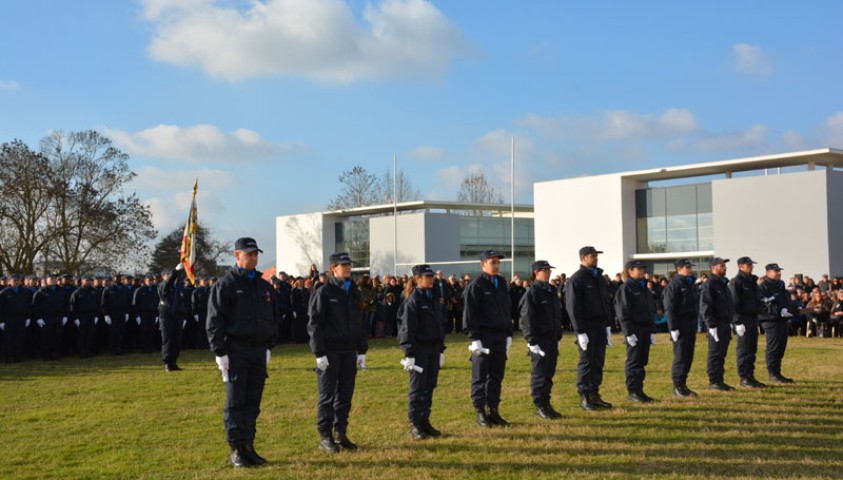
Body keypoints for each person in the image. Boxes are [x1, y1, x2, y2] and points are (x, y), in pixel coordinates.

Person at [207, 237, 278, 468]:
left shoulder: (263, 286)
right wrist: (220, 353)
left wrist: (269, 346)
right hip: (235, 350)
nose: (254, 258)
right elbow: (214, 321)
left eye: (256, 254)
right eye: (249, 254)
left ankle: (249, 445)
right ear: (237, 256)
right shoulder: (226, 285)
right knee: (236, 402)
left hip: (258, 351)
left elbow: (271, 318)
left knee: (253, 402)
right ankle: (236, 449)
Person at [307, 252, 368, 454]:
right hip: (330, 351)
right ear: (333, 268)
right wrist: (319, 353)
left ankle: (340, 432)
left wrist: (361, 350)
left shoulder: (353, 292)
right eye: (343, 265)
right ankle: (325, 436)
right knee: (327, 395)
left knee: (345, 394)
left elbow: (359, 323)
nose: (348, 267)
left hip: (349, 350)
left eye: (349, 264)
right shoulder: (324, 292)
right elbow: (315, 325)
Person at [463, 250, 513, 427]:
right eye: (493, 262)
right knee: (480, 376)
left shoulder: (501, 283)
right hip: (483, 337)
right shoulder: (476, 285)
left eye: (498, 262)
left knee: (496, 376)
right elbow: (470, 314)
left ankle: (493, 409)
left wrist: (509, 333)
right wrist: (474, 338)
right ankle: (480, 411)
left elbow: (507, 310)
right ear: (483, 264)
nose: (497, 265)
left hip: (499, 336)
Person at [397, 264, 447, 439]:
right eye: (427, 276)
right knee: (417, 388)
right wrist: (409, 353)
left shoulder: (433, 296)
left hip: (433, 347)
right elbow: (406, 328)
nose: (431, 279)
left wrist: (441, 349)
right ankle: (415, 424)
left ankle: (425, 421)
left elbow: (440, 324)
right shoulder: (413, 300)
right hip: (419, 349)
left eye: (431, 276)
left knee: (429, 386)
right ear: (418, 279)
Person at [565, 246, 613, 411]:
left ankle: (594, 394)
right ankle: (584, 396)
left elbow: (605, 303)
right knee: (586, 362)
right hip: (587, 327)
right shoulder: (577, 279)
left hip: (600, 326)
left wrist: (607, 325)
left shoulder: (598, 277)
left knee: (598, 361)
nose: (596, 258)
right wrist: (579, 331)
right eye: (593, 256)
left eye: (596, 255)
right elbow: (573, 307)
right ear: (584, 258)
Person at [519, 260, 563, 419]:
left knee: (549, 373)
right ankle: (539, 405)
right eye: (545, 270)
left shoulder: (551, 289)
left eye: (549, 270)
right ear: (536, 272)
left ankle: (546, 403)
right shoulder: (532, 292)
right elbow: (526, 319)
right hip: (540, 340)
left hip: (551, 338)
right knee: (540, 374)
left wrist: (558, 335)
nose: (548, 272)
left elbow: (557, 314)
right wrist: (531, 341)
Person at [614, 260, 657, 403]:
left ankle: (639, 390)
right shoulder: (627, 288)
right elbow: (623, 311)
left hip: (645, 328)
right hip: (634, 329)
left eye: (643, 268)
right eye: (638, 268)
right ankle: (633, 391)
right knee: (634, 361)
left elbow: (650, 309)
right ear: (630, 271)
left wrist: (652, 330)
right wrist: (628, 332)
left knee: (642, 361)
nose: (642, 271)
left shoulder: (643, 287)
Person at [662, 259, 700, 397]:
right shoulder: (674, 285)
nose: (689, 269)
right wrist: (673, 328)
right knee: (681, 356)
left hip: (690, 324)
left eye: (690, 267)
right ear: (679, 269)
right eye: (686, 267)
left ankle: (683, 384)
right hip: (680, 324)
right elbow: (670, 308)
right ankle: (677, 386)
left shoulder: (690, 284)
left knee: (688, 355)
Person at [729, 257, 766, 389]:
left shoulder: (751, 281)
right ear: (741, 266)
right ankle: (744, 377)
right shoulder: (737, 282)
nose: (751, 267)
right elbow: (734, 303)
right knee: (744, 349)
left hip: (752, 317)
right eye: (748, 265)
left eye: (751, 264)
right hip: (743, 319)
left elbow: (757, 299)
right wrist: (737, 321)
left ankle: (751, 376)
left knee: (752, 348)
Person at [700, 257, 736, 391]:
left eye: (724, 266)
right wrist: (711, 325)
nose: (724, 268)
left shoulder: (723, 284)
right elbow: (706, 306)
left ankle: (720, 380)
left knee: (722, 354)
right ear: (713, 268)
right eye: (721, 266)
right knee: (715, 353)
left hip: (725, 323)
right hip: (716, 324)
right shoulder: (709, 284)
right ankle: (714, 381)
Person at [758, 263, 796, 383]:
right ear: (768, 273)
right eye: (776, 271)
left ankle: (777, 372)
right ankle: (773, 374)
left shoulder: (780, 286)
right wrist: (779, 311)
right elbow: (763, 305)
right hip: (771, 320)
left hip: (782, 320)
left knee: (781, 347)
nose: (779, 273)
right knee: (773, 347)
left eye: (779, 271)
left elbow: (785, 301)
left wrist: (792, 310)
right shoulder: (764, 287)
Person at [159, 264, 189, 371]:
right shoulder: (163, 286)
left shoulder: (177, 288)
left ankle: (174, 362)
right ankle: (167, 363)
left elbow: (182, 303)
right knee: (167, 340)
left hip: (177, 316)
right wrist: (175, 271)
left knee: (176, 340)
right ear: (163, 276)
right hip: (166, 316)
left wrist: (184, 316)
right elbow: (168, 283)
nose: (171, 276)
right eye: (168, 275)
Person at [32, 273, 67, 361]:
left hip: (58, 316)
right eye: (51, 279)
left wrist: (65, 316)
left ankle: (55, 355)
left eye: (55, 279)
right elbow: (35, 305)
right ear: (46, 280)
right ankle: (46, 355)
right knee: (46, 337)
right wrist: (38, 318)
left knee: (57, 336)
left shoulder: (62, 290)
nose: (53, 280)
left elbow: (67, 304)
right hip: (46, 317)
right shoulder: (41, 291)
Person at [0, 273, 34, 363]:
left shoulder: (26, 292)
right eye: (14, 280)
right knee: (8, 339)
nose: (16, 282)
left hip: (21, 317)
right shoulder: (4, 293)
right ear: (9, 281)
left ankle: (18, 357)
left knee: (20, 338)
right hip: (8, 318)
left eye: (18, 280)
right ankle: (8, 358)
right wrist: (1, 321)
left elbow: (29, 306)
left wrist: (28, 317)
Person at [69, 275, 99, 359]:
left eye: (90, 280)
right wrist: (75, 318)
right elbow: (72, 306)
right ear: (82, 281)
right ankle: (81, 352)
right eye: (87, 280)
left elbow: (98, 304)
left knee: (90, 334)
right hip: (81, 316)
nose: (89, 282)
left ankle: (89, 351)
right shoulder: (77, 292)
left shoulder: (94, 291)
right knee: (81, 335)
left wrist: (96, 316)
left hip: (91, 315)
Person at [133, 275, 160, 354]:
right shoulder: (139, 290)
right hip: (142, 314)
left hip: (152, 313)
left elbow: (157, 303)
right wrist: (137, 316)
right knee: (143, 331)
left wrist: (156, 315)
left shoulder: (154, 290)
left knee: (151, 331)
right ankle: (144, 348)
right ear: (145, 280)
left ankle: (150, 347)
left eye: (152, 280)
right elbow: (135, 304)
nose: (151, 282)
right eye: (149, 280)